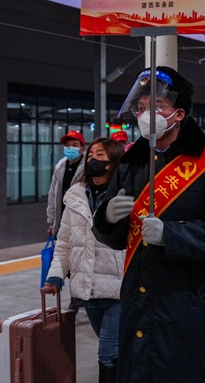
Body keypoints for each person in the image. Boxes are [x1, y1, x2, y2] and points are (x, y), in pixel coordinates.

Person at [92, 67, 205, 383]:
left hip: (190, 299)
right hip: (139, 295)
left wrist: (171, 234)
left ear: (179, 113)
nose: (147, 114)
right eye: (141, 108)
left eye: (157, 107)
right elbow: (117, 238)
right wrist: (107, 218)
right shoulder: (133, 160)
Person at [43, 137, 125, 383]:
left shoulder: (124, 196)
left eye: (100, 155)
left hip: (119, 290)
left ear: (114, 161)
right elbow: (65, 243)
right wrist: (55, 276)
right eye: (91, 156)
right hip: (88, 289)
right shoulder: (76, 195)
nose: (92, 160)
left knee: (107, 353)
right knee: (113, 349)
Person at [47, 130, 86, 237]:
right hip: (63, 217)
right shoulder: (60, 167)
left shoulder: (88, 167)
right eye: (67, 145)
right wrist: (52, 223)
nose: (70, 148)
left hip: (80, 218)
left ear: (82, 149)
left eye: (74, 145)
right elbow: (53, 195)